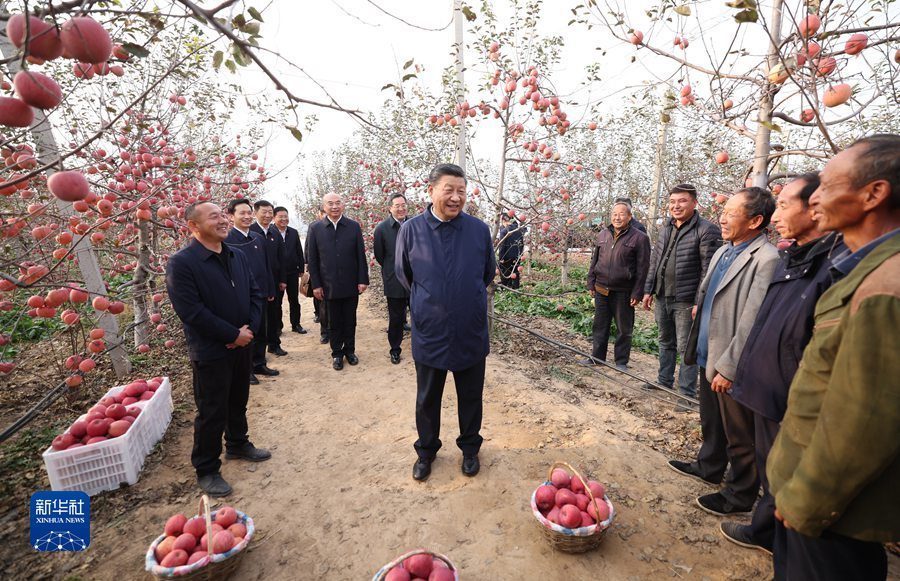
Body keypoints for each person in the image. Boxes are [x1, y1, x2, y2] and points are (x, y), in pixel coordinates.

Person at [767, 134, 900, 581]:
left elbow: (863, 421)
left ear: (873, 194)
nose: (814, 197)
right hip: (810, 495)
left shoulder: (887, 288)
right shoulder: (864, 269)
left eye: (825, 185)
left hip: (830, 511)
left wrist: (806, 500)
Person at [718, 174, 845, 556]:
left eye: (785, 205)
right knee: (771, 465)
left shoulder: (834, 266)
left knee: (786, 471)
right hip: (766, 384)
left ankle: (780, 541)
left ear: (816, 208)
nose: (776, 216)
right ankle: (767, 533)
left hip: (792, 393)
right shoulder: (793, 257)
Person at [669, 187, 779, 518]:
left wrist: (730, 367)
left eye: (731, 213)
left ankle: (739, 494)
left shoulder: (766, 259)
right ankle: (709, 466)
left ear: (755, 221)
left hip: (731, 360)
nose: (723, 218)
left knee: (740, 434)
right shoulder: (723, 251)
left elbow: (752, 320)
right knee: (712, 420)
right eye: (724, 211)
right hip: (709, 350)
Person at [396, 163, 495, 481]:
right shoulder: (411, 230)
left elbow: (487, 273)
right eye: (449, 190)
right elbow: (404, 275)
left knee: (471, 396)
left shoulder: (478, 230)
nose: (456, 197)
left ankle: (470, 449)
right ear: (431, 191)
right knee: (427, 398)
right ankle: (426, 451)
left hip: (469, 328)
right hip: (431, 331)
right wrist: (432, 302)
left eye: (461, 191)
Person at [166, 201, 271, 497]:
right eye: (214, 217)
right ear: (193, 226)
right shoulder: (182, 263)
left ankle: (237, 443)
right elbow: (191, 311)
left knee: (238, 398)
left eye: (223, 215)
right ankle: (207, 468)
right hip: (211, 349)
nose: (223, 221)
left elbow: (255, 294)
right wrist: (231, 334)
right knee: (212, 409)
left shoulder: (236, 255)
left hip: (242, 344)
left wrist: (248, 331)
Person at [642, 184, 722, 397]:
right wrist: (648, 289)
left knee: (686, 347)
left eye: (682, 201)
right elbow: (655, 261)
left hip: (685, 299)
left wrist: (699, 302)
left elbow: (708, 270)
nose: (676, 206)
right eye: (672, 202)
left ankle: (686, 392)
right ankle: (664, 381)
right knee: (665, 341)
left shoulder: (706, 230)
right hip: (662, 295)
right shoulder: (666, 228)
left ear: (694, 203)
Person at [306, 193, 369, 370]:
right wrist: (316, 284)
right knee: (333, 322)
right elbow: (312, 259)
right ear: (324, 207)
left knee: (350, 319)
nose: (334, 207)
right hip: (328, 284)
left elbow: (360, 255)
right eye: (330, 203)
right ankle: (337, 354)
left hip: (350, 282)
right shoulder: (315, 228)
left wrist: (362, 279)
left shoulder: (353, 226)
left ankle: (350, 351)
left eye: (338, 203)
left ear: (343, 205)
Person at [586, 200, 650, 370]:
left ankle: (621, 362)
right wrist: (591, 281)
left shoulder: (640, 238)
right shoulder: (603, 234)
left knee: (624, 328)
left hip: (624, 290)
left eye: (621, 214)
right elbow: (595, 260)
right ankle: (597, 358)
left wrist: (637, 292)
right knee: (600, 325)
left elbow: (643, 268)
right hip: (601, 288)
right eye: (614, 214)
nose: (617, 217)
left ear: (629, 216)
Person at [225, 199, 278, 384]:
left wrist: (270, 288)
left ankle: (259, 363)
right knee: (246, 332)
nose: (247, 217)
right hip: (241, 296)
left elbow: (266, 265)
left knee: (261, 330)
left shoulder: (258, 237)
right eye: (242, 213)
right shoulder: (228, 239)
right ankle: (245, 370)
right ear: (231, 216)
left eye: (249, 213)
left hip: (261, 293)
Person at [373, 193, 410, 364]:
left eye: (403, 205)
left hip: (416, 280)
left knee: (420, 315)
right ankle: (395, 349)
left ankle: (422, 347)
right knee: (395, 317)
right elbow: (380, 256)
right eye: (397, 206)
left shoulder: (415, 225)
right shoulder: (382, 229)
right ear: (390, 208)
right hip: (394, 279)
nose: (401, 208)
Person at [250, 200, 287, 357]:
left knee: (274, 314)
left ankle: (274, 344)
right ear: (255, 213)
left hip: (274, 281)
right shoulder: (251, 231)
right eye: (263, 212)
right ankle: (258, 353)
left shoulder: (274, 232)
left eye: (270, 212)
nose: (267, 215)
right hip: (255, 283)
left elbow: (282, 258)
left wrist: (283, 279)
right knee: (258, 318)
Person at [274, 206, 307, 334]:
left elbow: (299, 250)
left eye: (285, 216)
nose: (284, 219)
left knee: (294, 300)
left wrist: (301, 267)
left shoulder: (293, 232)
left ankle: (296, 324)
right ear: (274, 218)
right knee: (277, 302)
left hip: (292, 271)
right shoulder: (271, 232)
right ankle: (278, 327)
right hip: (277, 273)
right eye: (280, 216)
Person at [307, 208, 329, 344]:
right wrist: (309, 267)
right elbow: (309, 250)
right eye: (324, 213)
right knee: (323, 306)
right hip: (321, 273)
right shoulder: (314, 227)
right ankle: (325, 332)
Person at [497, 216, 526, 288]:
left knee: (505, 273)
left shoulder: (504, 231)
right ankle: (516, 289)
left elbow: (502, 246)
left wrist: (501, 257)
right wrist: (520, 255)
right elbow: (521, 244)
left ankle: (505, 289)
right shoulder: (519, 231)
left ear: (504, 221)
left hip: (506, 257)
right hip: (517, 256)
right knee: (515, 273)